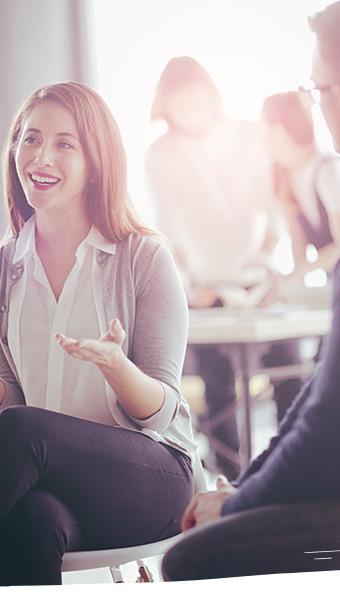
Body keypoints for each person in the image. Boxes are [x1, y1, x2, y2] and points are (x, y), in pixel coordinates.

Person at [0, 82, 196, 586]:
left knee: (25, 429)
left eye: (65, 143)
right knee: (29, 523)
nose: (41, 156)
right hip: (56, 481)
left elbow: (160, 410)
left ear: (97, 163)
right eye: (30, 139)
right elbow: (10, 406)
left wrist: (115, 365)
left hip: (151, 476)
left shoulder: (143, 259)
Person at [161, 2, 340, 581]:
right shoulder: (161, 157)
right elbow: (324, 401)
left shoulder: (310, 166)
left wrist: (241, 499)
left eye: (319, 88)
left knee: (188, 555)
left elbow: (324, 424)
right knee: (234, 392)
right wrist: (251, 484)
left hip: (250, 281)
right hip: (211, 287)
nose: (319, 105)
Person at [144, 56, 302, 477]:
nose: (191, 109)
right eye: (180, 102)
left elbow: (274, 207)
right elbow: (166, 225)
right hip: (203, 285)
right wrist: (189, 284)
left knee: (288, 371)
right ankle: (230, 473)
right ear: (165, 106)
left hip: (258, 276)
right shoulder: (159, 154)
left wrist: (268, 265)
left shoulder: (251, 136)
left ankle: (294, 466)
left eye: (196, 97)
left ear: (213, 94)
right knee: (218, 385)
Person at [260, 90, 340, 288]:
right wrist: (292, 289)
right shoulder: (282, 176)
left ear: (278, 131)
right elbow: (298, 246)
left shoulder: (328, 171)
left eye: (262, 129)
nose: (259, 138)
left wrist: (296, 275)